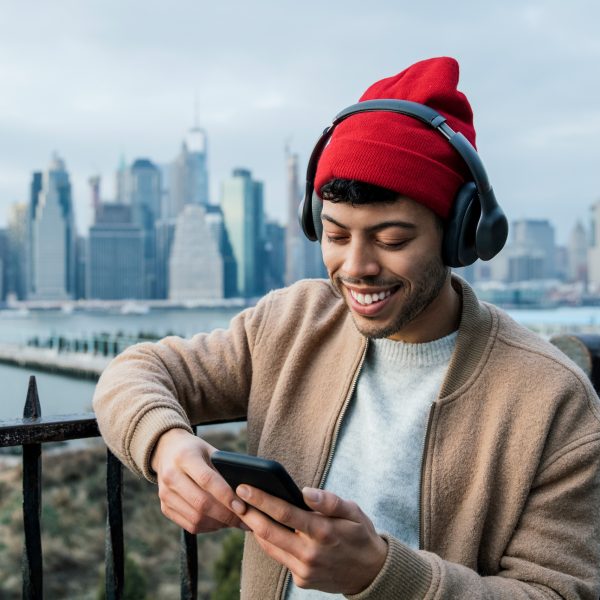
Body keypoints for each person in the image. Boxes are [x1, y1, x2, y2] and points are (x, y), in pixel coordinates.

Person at [93, 57, 600, 599]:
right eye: (336, 236)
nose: (355, 267)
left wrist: (382, 576)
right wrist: (166, 446)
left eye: (392, 240)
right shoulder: (290, 324)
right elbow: (134, 371)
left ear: (460, 236)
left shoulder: (552, 399)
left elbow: (558, 593)